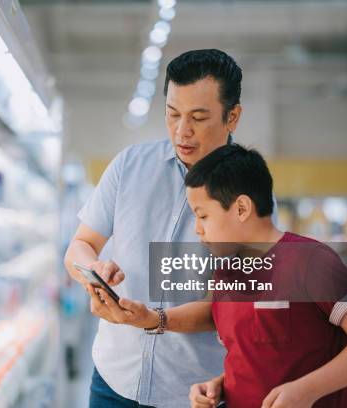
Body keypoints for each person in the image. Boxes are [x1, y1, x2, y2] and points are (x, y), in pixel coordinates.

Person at [95, 143, 347, 408]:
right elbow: (256, 353)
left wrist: (306, 392)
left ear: (241, 208)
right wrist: (220, 385)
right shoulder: (227, 270)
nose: (197, 229)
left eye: (202, 216)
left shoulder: (311, 263)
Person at [64, 49, 243, 407]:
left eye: (198, 117)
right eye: (172, 114)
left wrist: (154, 320)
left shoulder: (248, 193)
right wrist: (92, 273)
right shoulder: (129, 166)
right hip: (113, 381)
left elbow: (233, 303)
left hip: (194, 393)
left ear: (232, 117)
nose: (182, 131)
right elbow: (80, 245)